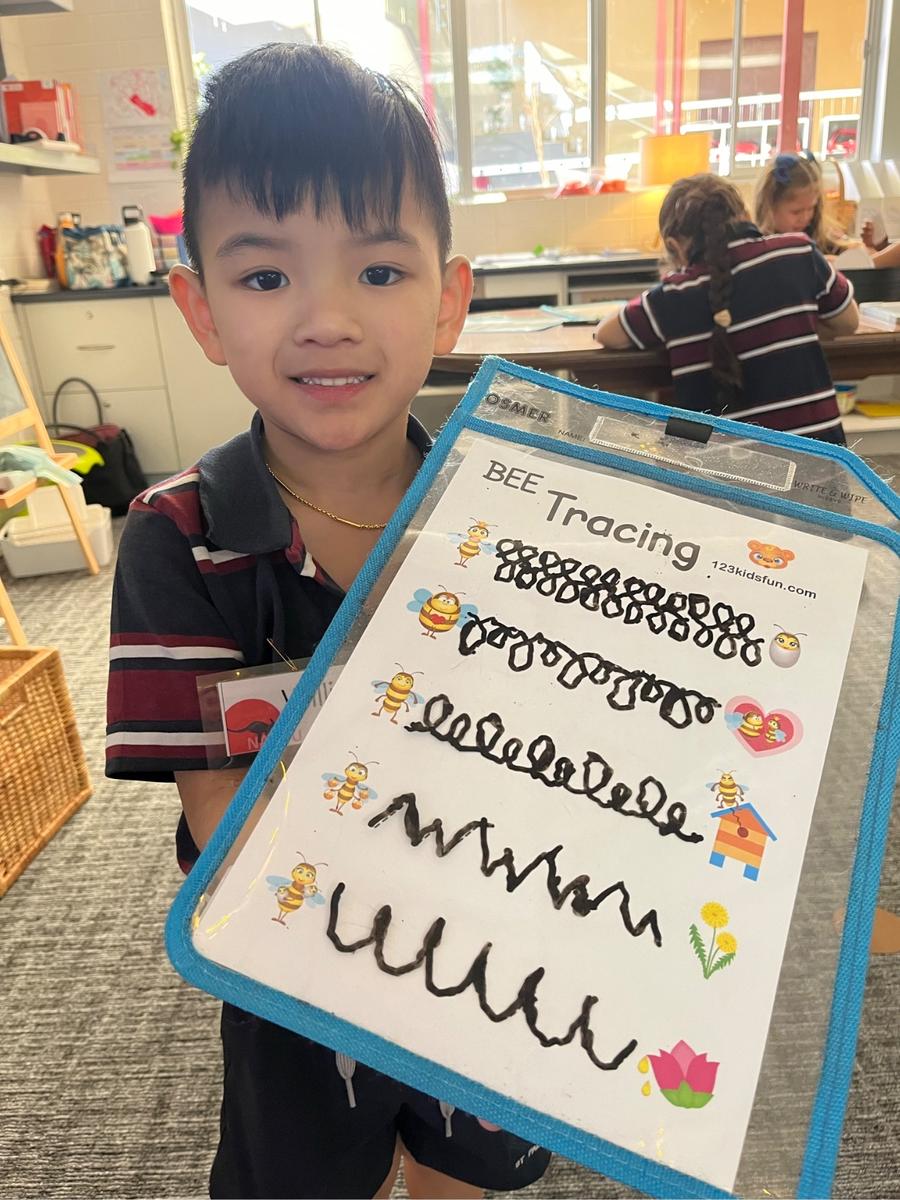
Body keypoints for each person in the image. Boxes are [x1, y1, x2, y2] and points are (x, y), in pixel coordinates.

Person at [106, 42, 552, 1200]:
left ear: (449, 300)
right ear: (201, 310)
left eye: (380, 271)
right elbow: (224, 818)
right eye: (265, 277)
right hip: (299, 981)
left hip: (492, 952)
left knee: (468, 1167)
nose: (327, 319)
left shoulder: (514, 513)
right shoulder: (178, 540)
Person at [594, 174, 859, 443]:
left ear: (674, 245)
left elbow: (607, 333)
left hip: (717, 467)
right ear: (746, 216)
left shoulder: (673, 295)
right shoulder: (798, 252)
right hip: (820, 461)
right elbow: (849, 322)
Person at [753, 151, 856, 257]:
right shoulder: (759, 252)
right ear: (770, 208)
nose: (805, 218)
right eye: (796, 212)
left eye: (811, 208)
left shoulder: (817, 238)